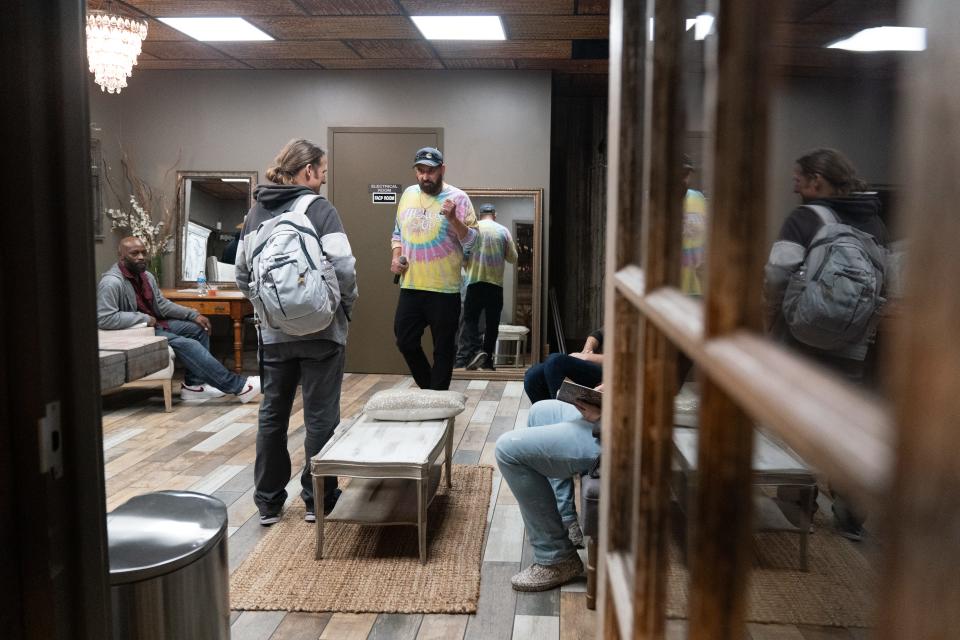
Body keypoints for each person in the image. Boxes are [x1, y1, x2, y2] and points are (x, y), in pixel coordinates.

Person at [763, 147, 887, 540]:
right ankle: (851, 513)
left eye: (799, 178)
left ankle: (796, 507)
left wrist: (773, 310)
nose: (794, 185)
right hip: (852, 344)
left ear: (817, 180)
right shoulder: (875, 223)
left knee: (794, 422)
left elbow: (778, 272)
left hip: (800, 336)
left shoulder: (806, 217)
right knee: (841, 425)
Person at [236, 138, 358, 526]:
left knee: (272, 415)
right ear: (308, 172)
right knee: (321, 417)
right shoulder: (319, 208)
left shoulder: (256, 213)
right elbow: (344, 266)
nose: (322, 180)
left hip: (273, 336)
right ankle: (317, 499)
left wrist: (269, 310)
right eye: (321, 172)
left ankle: (269, 503)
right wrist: (344, 307)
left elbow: (242, 273)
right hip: (323, 332)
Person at [97, 236, 261, 403]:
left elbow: (161, 305)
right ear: (122, 257)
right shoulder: (111, 282)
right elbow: (104, 318)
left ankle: (194, 387)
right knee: (188, 344)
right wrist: (144, 318)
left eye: (143, 253)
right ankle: (238, 386)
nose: (141, 257)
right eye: (135, 253)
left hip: (153, 327)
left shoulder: (146, 276)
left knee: (198, 328)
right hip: (134, 333)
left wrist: (194, 314)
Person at [391, 147, 478, 390]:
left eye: (430, 171)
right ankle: (432, 390)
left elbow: (472, 242)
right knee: (405, 341)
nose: (425, 176)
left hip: (445, 289)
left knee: (443, 349)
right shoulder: (408, 194)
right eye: (420, 171)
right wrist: (396, 257)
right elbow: (397, 233)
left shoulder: (459, 198)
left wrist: (453, 219)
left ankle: (437, 397)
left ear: (442, 170)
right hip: (411, 285)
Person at [495, 394, 602, 591]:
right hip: (613, 414)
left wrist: (604, 416)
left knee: (506, 449)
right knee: (541, 411)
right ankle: (565, 521)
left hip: (615, 433)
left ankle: (556, 557)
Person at [457, 202, 518, 371]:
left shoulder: (472, 231)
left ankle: (475, 351)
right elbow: (513, 258)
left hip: (474, 283)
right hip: (494, 286)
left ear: (479, 214)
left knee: (470, 320)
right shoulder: (503, 231)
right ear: (495, 215)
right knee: (492, 324)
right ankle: (488, 360)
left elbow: (463, 259)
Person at [523, 329, 604, 404]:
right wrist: (588, 349)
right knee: (533, 375)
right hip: (593, 363)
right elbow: (598, 334)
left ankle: (559, 413)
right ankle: (548, 416)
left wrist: (586, 357)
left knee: (555, 361)